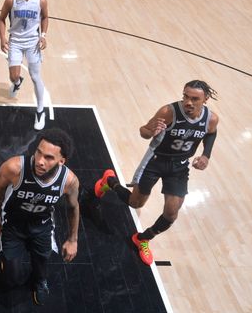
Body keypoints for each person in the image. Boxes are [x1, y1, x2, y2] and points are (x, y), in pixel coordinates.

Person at [94, 80, 219, 265]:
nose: (188, 102)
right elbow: (143, 131)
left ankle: (143, 238)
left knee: (171, 213)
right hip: (155, 161)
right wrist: (150, 130)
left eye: (194, 99)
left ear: (205, 99)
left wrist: (206, 155)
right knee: (135, 203)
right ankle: (110, 181)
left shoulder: (211, 119)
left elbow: (211, 133)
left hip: (179, 167)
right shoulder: (168, 112)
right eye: (185, 96)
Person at [0, 128, 80, 305]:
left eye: (48, 157)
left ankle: (40, 282)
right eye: (38, 152)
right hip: (13, 225)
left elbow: (74, 208)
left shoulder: (69, 181)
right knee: (12, 279)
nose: (39, 161)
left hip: (42, 225)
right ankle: (4, 257)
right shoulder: (14, 168)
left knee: (42, 261)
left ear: (61, 161)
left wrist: (73, 239)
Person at [0, 0, 48, 130]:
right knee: (13, 77)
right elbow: (1, 19)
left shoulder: (41, 1)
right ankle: (17, 83)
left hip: (33, 42)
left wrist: (44, 35)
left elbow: (45, 17)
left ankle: (40, 111)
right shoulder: (11, 0)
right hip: (15, 42)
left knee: (35, 76)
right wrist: (2, 38)